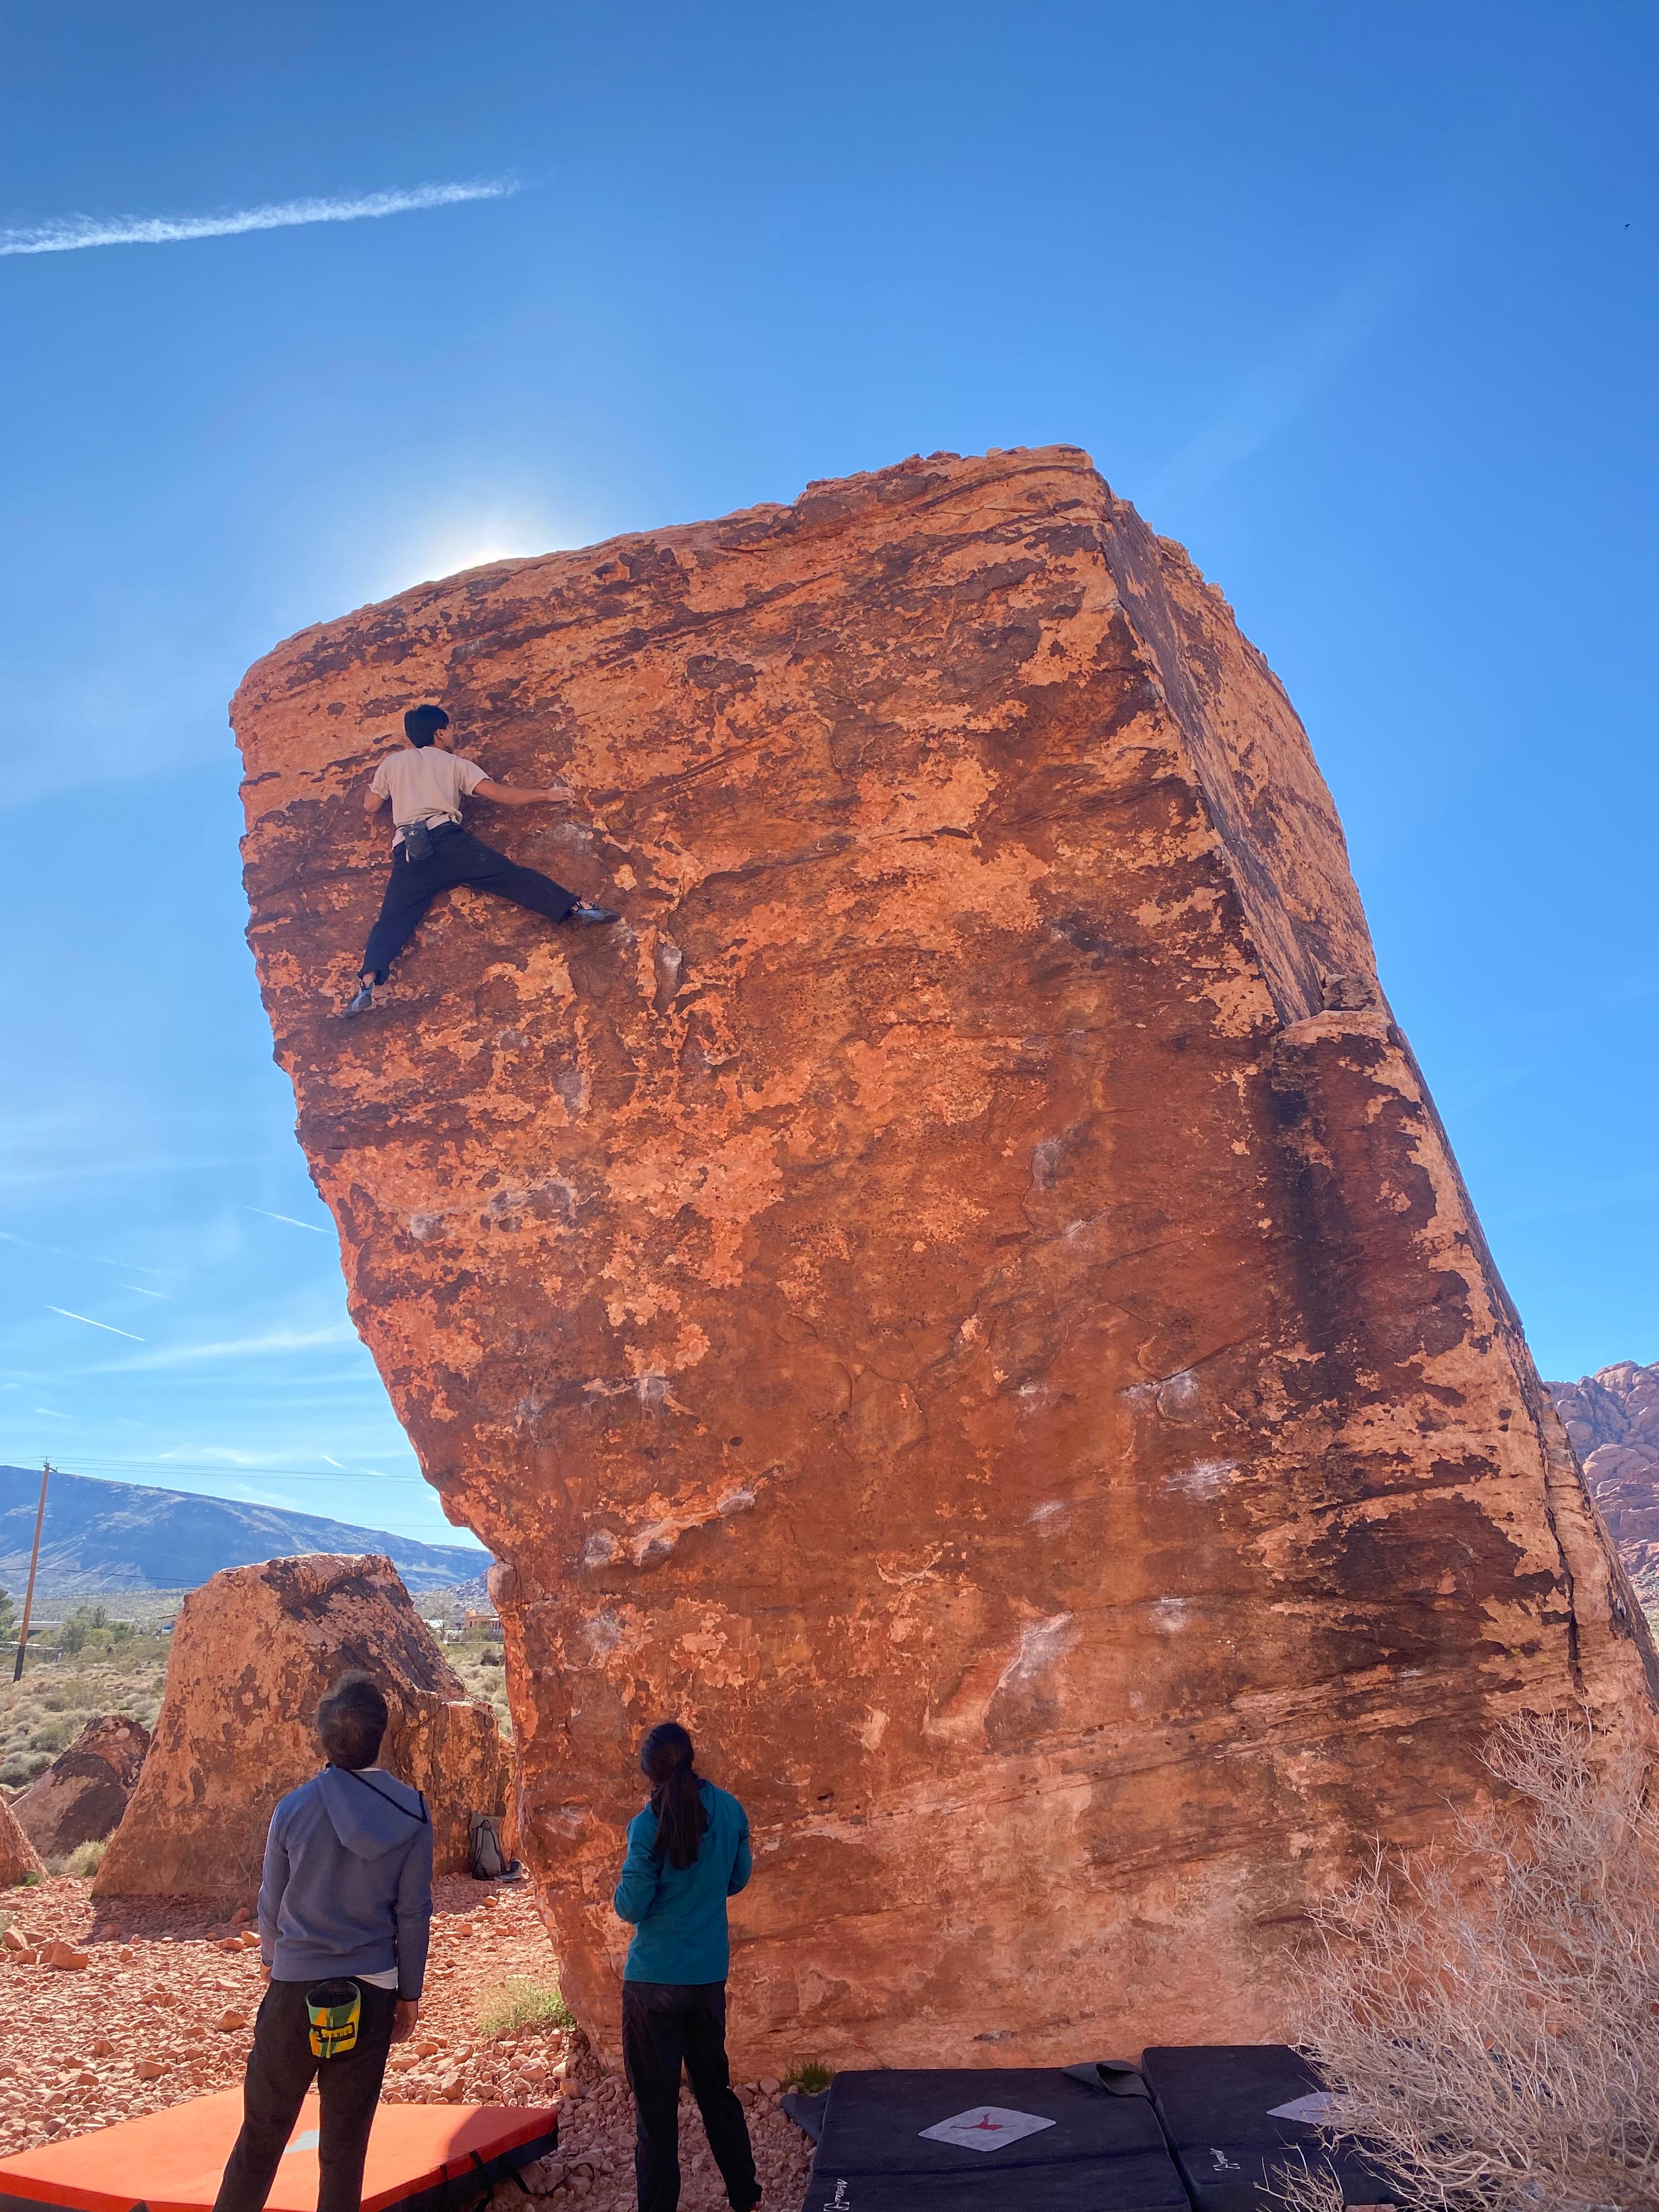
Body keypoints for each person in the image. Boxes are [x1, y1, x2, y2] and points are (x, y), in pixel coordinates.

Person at [213, 1673, 433, 2212]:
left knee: (262, 2135)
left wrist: (271, 1961)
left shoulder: (293, 1809)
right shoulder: (412, 1813)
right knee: (344, 2147)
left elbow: (272, 1900)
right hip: (373, 1990)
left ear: (323, 1738)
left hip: (294, 1986)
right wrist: (409, 1993)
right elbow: (413, 1912)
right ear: (382, 1735)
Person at [345, 702, 619, 1015]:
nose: (453, 734)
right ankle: (578, 907)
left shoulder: (393, 764)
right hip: (450, 842)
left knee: (393, 918)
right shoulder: (455, 764)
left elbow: (370, 806)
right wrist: (546, 794)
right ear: (439, 733)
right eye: (450, 729)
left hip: (410, 852)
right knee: (512, 878)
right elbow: (502, 795)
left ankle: (367, 984)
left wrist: (383, 786)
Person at [613, 1723, 761, 2212]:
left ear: (648, 1771)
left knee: (656, 2119)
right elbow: (737, 1879)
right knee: (716, 2095)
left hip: (652, 1984)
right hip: (706, 1979)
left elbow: (631, 1906)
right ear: (692, 1758)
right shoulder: (730, 1809)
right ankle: (747, 2199)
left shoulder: (647, 1823)